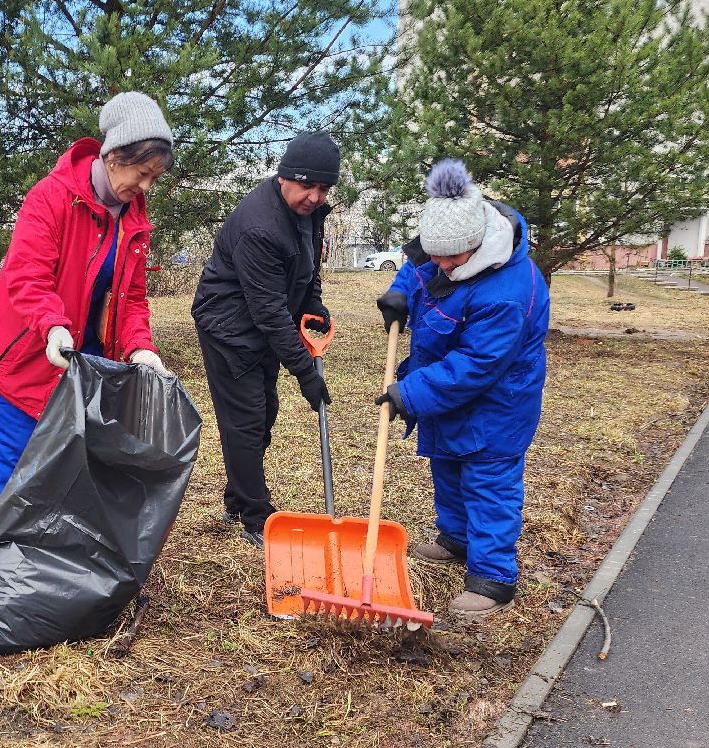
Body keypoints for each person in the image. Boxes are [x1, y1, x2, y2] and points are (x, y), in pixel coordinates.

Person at [0, 92, 175, 503]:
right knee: (17, 476)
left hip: (83, 369)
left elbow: (132, 298)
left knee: (68, 478)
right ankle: (9, 563)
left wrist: (140, 348)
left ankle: (55, 563)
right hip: (22, 360)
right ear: (115, 154)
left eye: (155, 176)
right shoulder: (51, 197)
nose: (146, 186)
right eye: (142, 171)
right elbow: (27, 275)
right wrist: (52, 326)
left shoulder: (134, 220)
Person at [375, 158, 550, 621]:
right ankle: (455, 538)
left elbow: (477, 365)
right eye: (437, 256)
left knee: (488, 482)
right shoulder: (444, 244)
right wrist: (399, 293)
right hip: (449, 396)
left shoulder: (509, 291)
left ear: (477, 247)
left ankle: (493, 577)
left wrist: (408, 393)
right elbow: (418, 267)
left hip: (497, 404)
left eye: (451, 259)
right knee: (448, 465)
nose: (441, 266)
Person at [191, 131, 338, 548]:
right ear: (284, 177)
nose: (314, 196)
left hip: (259, 325)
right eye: (307, 184)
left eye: (323, 188)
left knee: (265, 411)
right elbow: (270, 313)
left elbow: (307, 268)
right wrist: (307, 373)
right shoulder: (260, 226)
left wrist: (314, 303)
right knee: (246, 420)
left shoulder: (310, 213)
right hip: (229, 329)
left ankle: (239, 497)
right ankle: (256, 514)